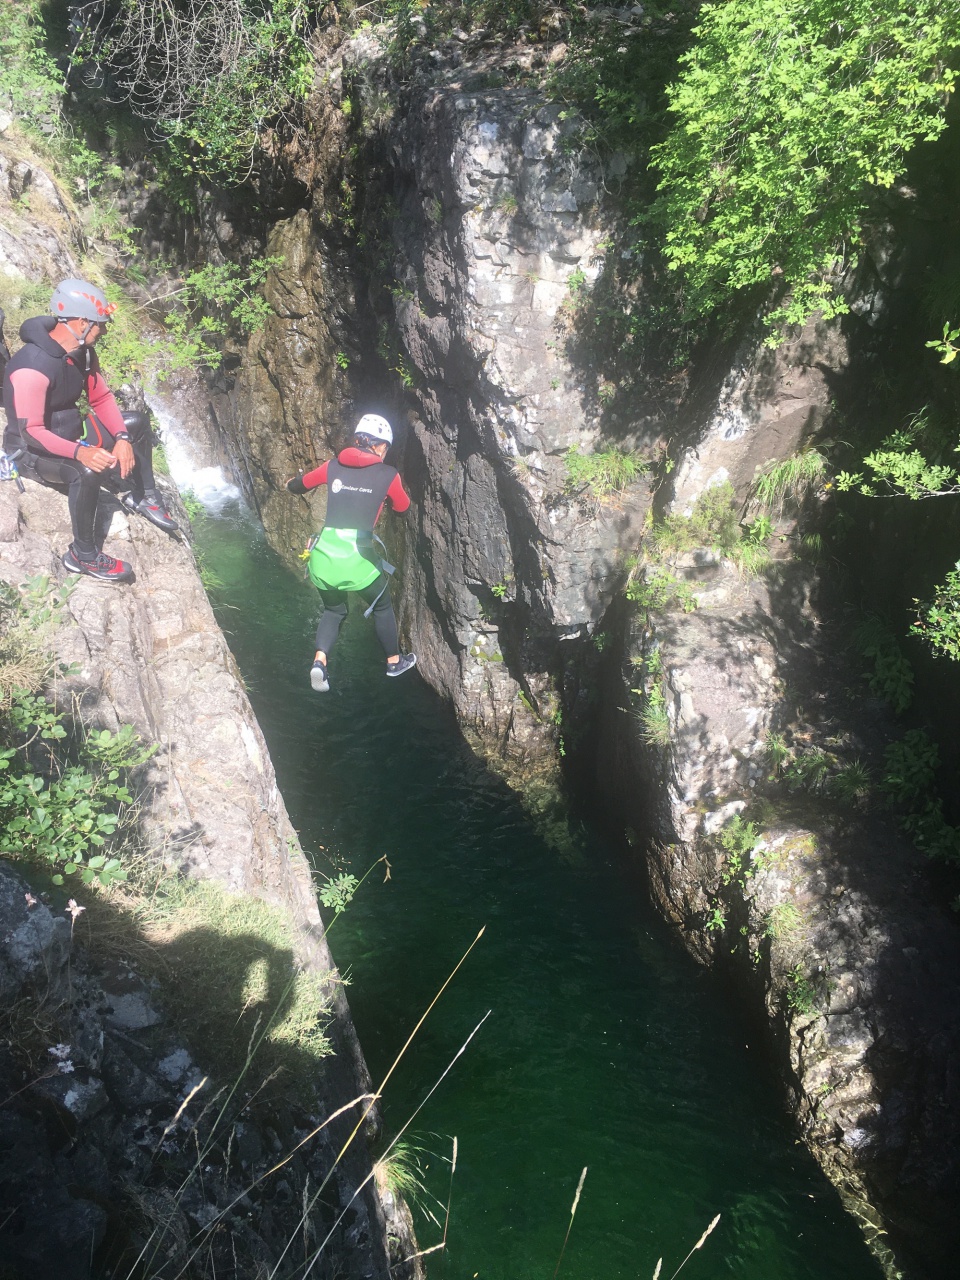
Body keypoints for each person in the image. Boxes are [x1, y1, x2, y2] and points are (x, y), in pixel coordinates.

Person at [2, 278, 178, 583]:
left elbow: (101, 397)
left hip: (68, 436)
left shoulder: (82, 353)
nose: (105, 330)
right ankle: (82, 556)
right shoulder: (32, 365)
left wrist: (122, 438)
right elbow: (32, 431)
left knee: (134, 421)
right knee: (86, 471)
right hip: (31, 452)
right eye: (100, 324)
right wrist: (80, 452)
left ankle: (145, 496)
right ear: (81, 322)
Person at [286, 413, 417, 691]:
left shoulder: (332, 466)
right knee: (382, 606)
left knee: (334, 610)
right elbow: (403, 508)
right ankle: (394, 661)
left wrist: (288, 484)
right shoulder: (388, 474)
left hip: (323, 556)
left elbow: (300, 485)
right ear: (380, 446)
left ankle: (320, 662)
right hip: (357, 557)